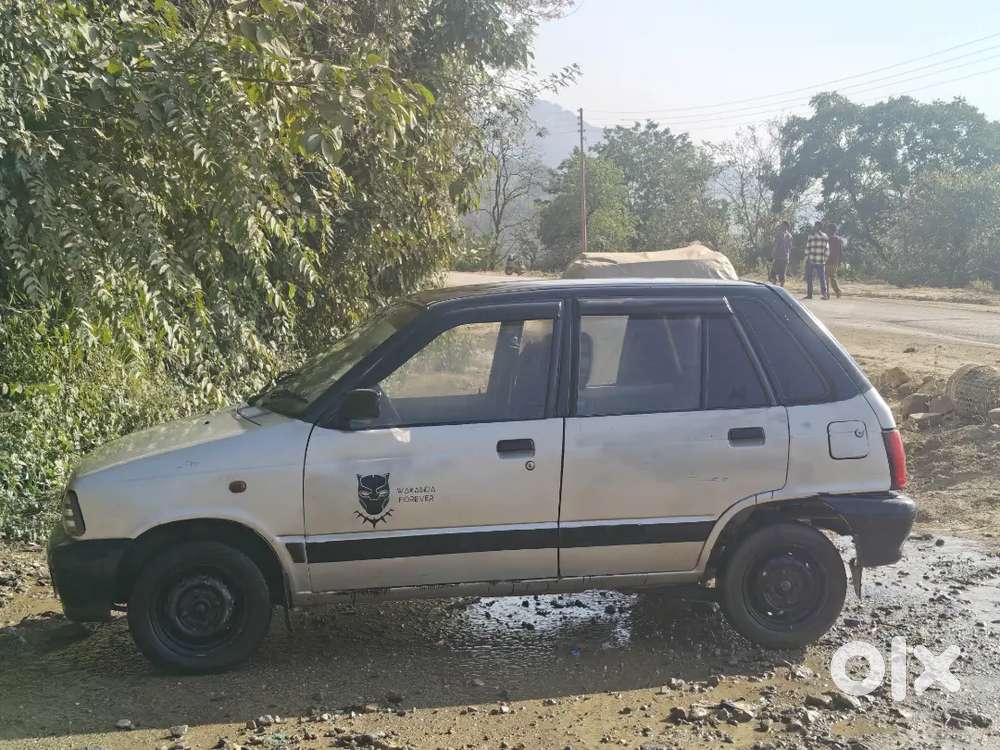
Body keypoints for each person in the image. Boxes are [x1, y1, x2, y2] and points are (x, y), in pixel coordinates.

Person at [803, 220, 830, 300]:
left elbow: (807, 249)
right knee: (822, 278)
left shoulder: (811, 236)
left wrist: (806, 257)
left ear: (816, 227)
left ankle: (809, 294)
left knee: (809, 277)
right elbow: (827, 250)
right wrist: (824, 259)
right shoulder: (825, 236)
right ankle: (824, 294)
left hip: (811, 260)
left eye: (815, 226)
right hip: (821, 260)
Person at [768, 221, 793, 286]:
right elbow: (789, 248)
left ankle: (775, 287)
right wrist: (788, 257)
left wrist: (772, 256)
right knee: (782, 273)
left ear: (786, 226)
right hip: (785, 257)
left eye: (782, 225)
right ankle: (781, 287)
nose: (781, 226)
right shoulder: (790, 236)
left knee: (773, 274)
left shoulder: (779, 234)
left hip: (778, 256)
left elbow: (775, 245)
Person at [826, 223, 845, 298]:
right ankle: (838, 292)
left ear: (830, 230)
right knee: (832, 277)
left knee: (826, 277)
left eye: (828, 229)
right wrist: (841, 261)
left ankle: (827, 293)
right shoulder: (838, 239)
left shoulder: (828, 239)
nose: (827, 230)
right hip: (835, 261)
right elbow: (841, 252)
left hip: (828, 260)